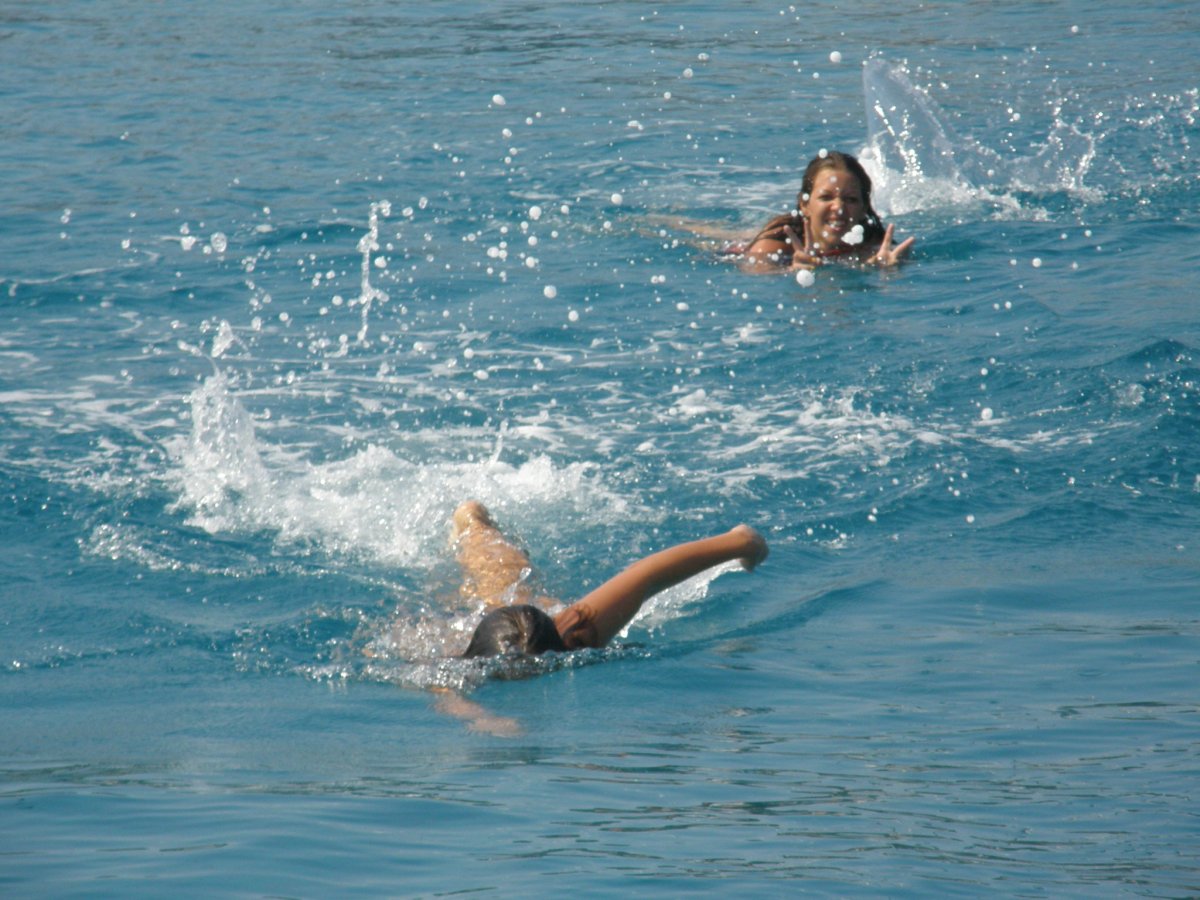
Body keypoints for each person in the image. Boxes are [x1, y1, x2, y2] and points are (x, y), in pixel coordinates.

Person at [451, 500, 768, 659]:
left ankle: (472, 522)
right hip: (483, 628)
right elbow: (441, 688)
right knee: (491, 588)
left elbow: (646, 574)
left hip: (529, 618)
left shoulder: (575, 634)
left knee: (505, 581)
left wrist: (743, 542)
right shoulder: (457, 658)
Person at [736, 150, 914, 270]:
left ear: (863, 209)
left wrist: (883, 270)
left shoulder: (874, 246)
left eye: (850, 199)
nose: (839, 207)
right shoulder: (775, 245)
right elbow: (752, 271)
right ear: (805, 205)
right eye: (826, 197)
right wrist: (790, 270)